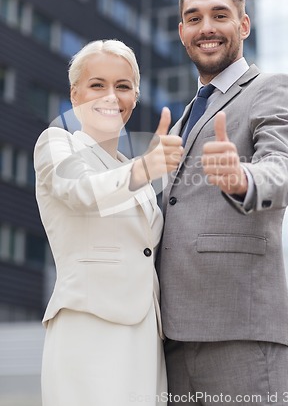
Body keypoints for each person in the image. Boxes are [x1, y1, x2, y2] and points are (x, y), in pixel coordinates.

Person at [156, 0, 288, 405]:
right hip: (172, 337)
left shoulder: (272, 89)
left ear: (243, 25)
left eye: (219, 15)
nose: (206, 26)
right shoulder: (186, 117)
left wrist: (243, 177)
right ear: (182, 32)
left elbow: (285, 168)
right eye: (194, 17)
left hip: (240, 331)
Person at [34, 39, 183, 406]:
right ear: (75, 94)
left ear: (135, 97)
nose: (110, 96)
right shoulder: (57, 143)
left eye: (123, 86)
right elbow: (82, 192)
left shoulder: (132, 168)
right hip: (90, 325)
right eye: (97, 84)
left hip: (146, 333)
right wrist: (145, 169)